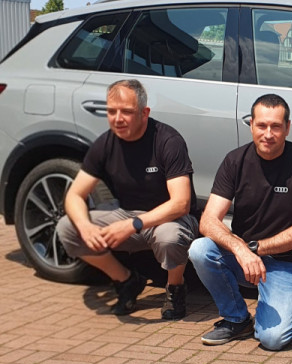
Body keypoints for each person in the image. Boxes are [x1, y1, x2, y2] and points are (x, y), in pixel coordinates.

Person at [188, 94, 292, 350]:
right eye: (261, 125)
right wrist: (240, 250)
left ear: (287, 128)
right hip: (246, 259)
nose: (268, 134)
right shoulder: (235, 160)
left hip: (288, 262)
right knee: (200, 249)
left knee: (272, 340)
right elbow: (207, 221)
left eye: (276, 126)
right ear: (251, 124)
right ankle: (236, 319)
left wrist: (254, 249)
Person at [56, 79, 197, 319]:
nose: (117, 119)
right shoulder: (105, 143)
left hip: (169, 219)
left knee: (170, 237)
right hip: (128, 215)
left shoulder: (167, 140)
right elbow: (74, 195)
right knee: (67, 228)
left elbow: (180, 203)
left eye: (126, 112)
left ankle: (175, 288)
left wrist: (133, 224)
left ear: (144, 112)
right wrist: (85, 226)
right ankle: (126, 280)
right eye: (111, 111)